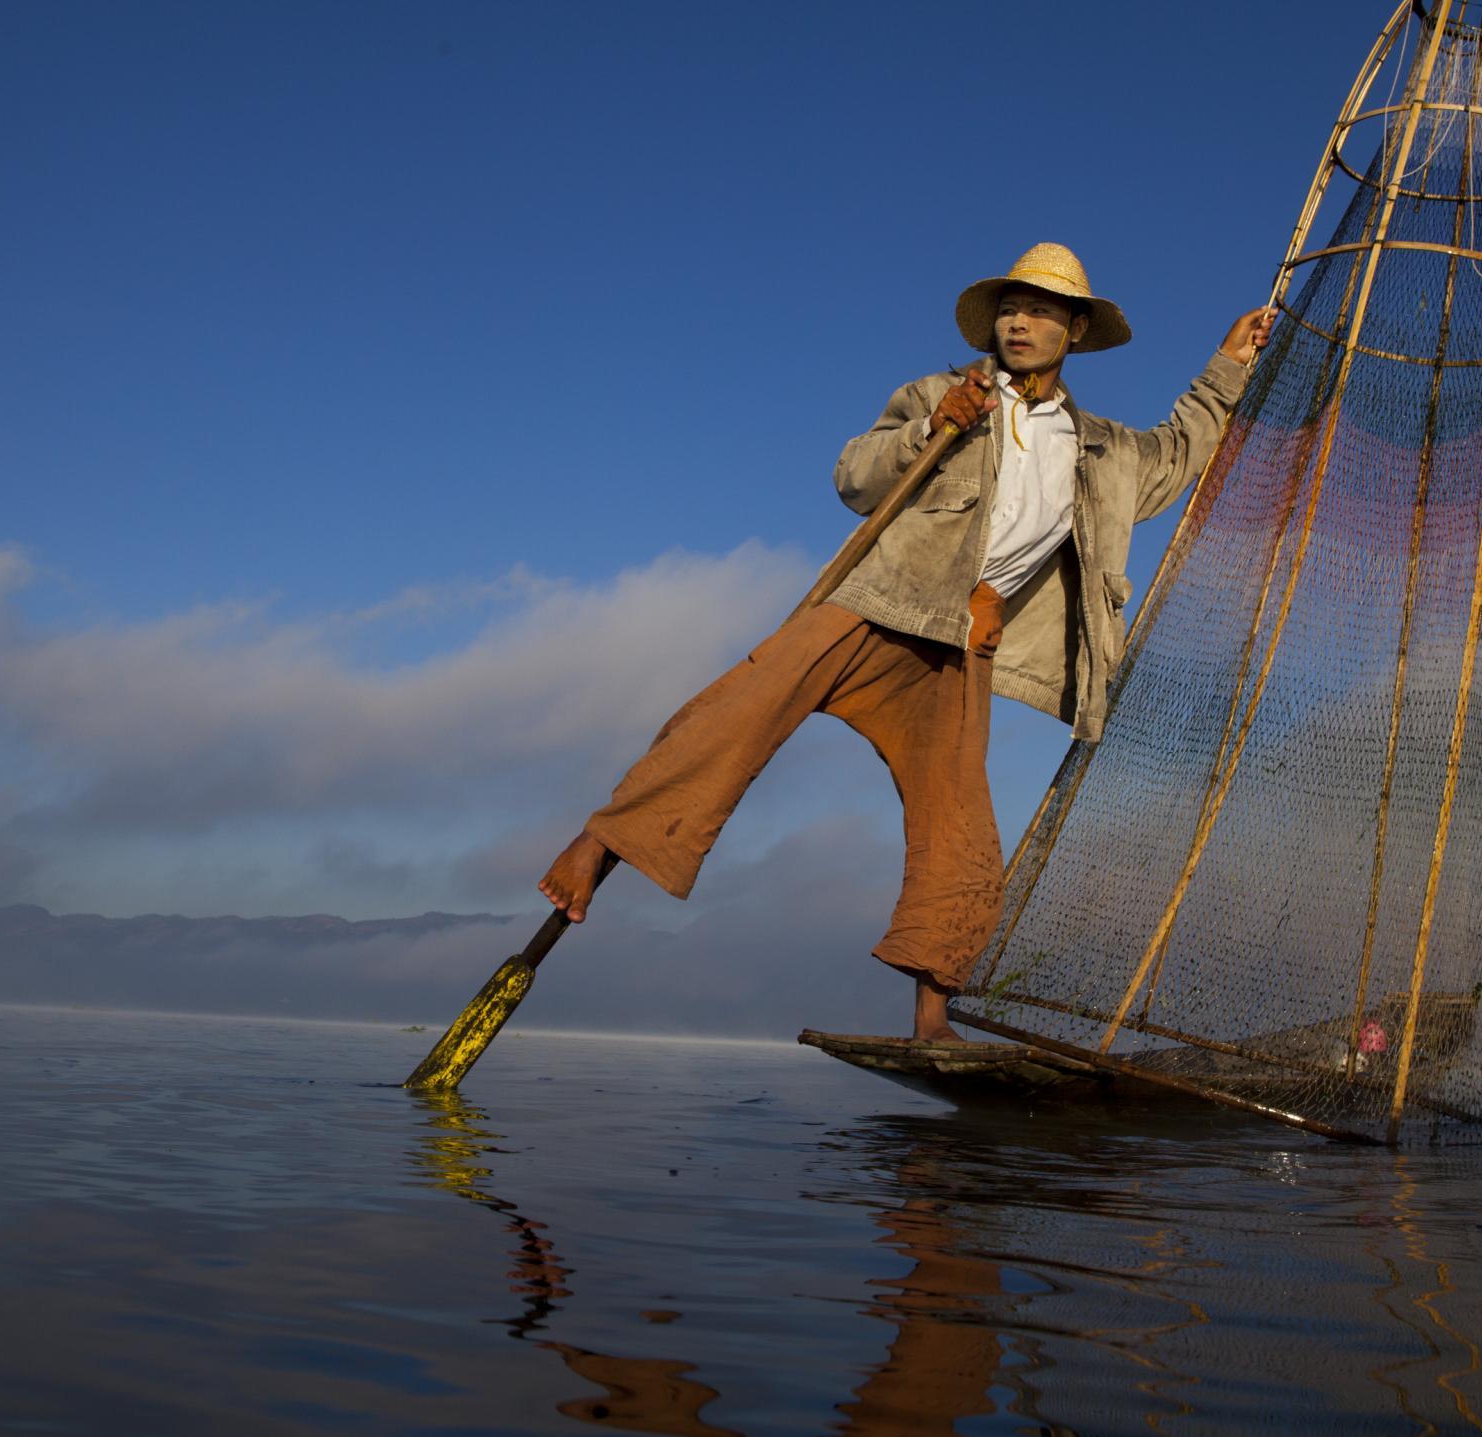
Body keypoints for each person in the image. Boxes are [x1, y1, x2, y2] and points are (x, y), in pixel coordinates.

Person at [540, 244, 1275, 1040]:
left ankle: (932, 1015)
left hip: (962, 646)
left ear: (1076, 328)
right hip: (879, 603)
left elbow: (1177, 453)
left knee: (959, 829)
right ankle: (598, 844)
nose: (1019, 323)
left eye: (1040, 311)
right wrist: (931, 427)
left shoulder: (1100, 450)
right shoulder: (943, 393)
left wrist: (1227, 367)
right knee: (737, 711)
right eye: (1010, 308)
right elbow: (854, 478)